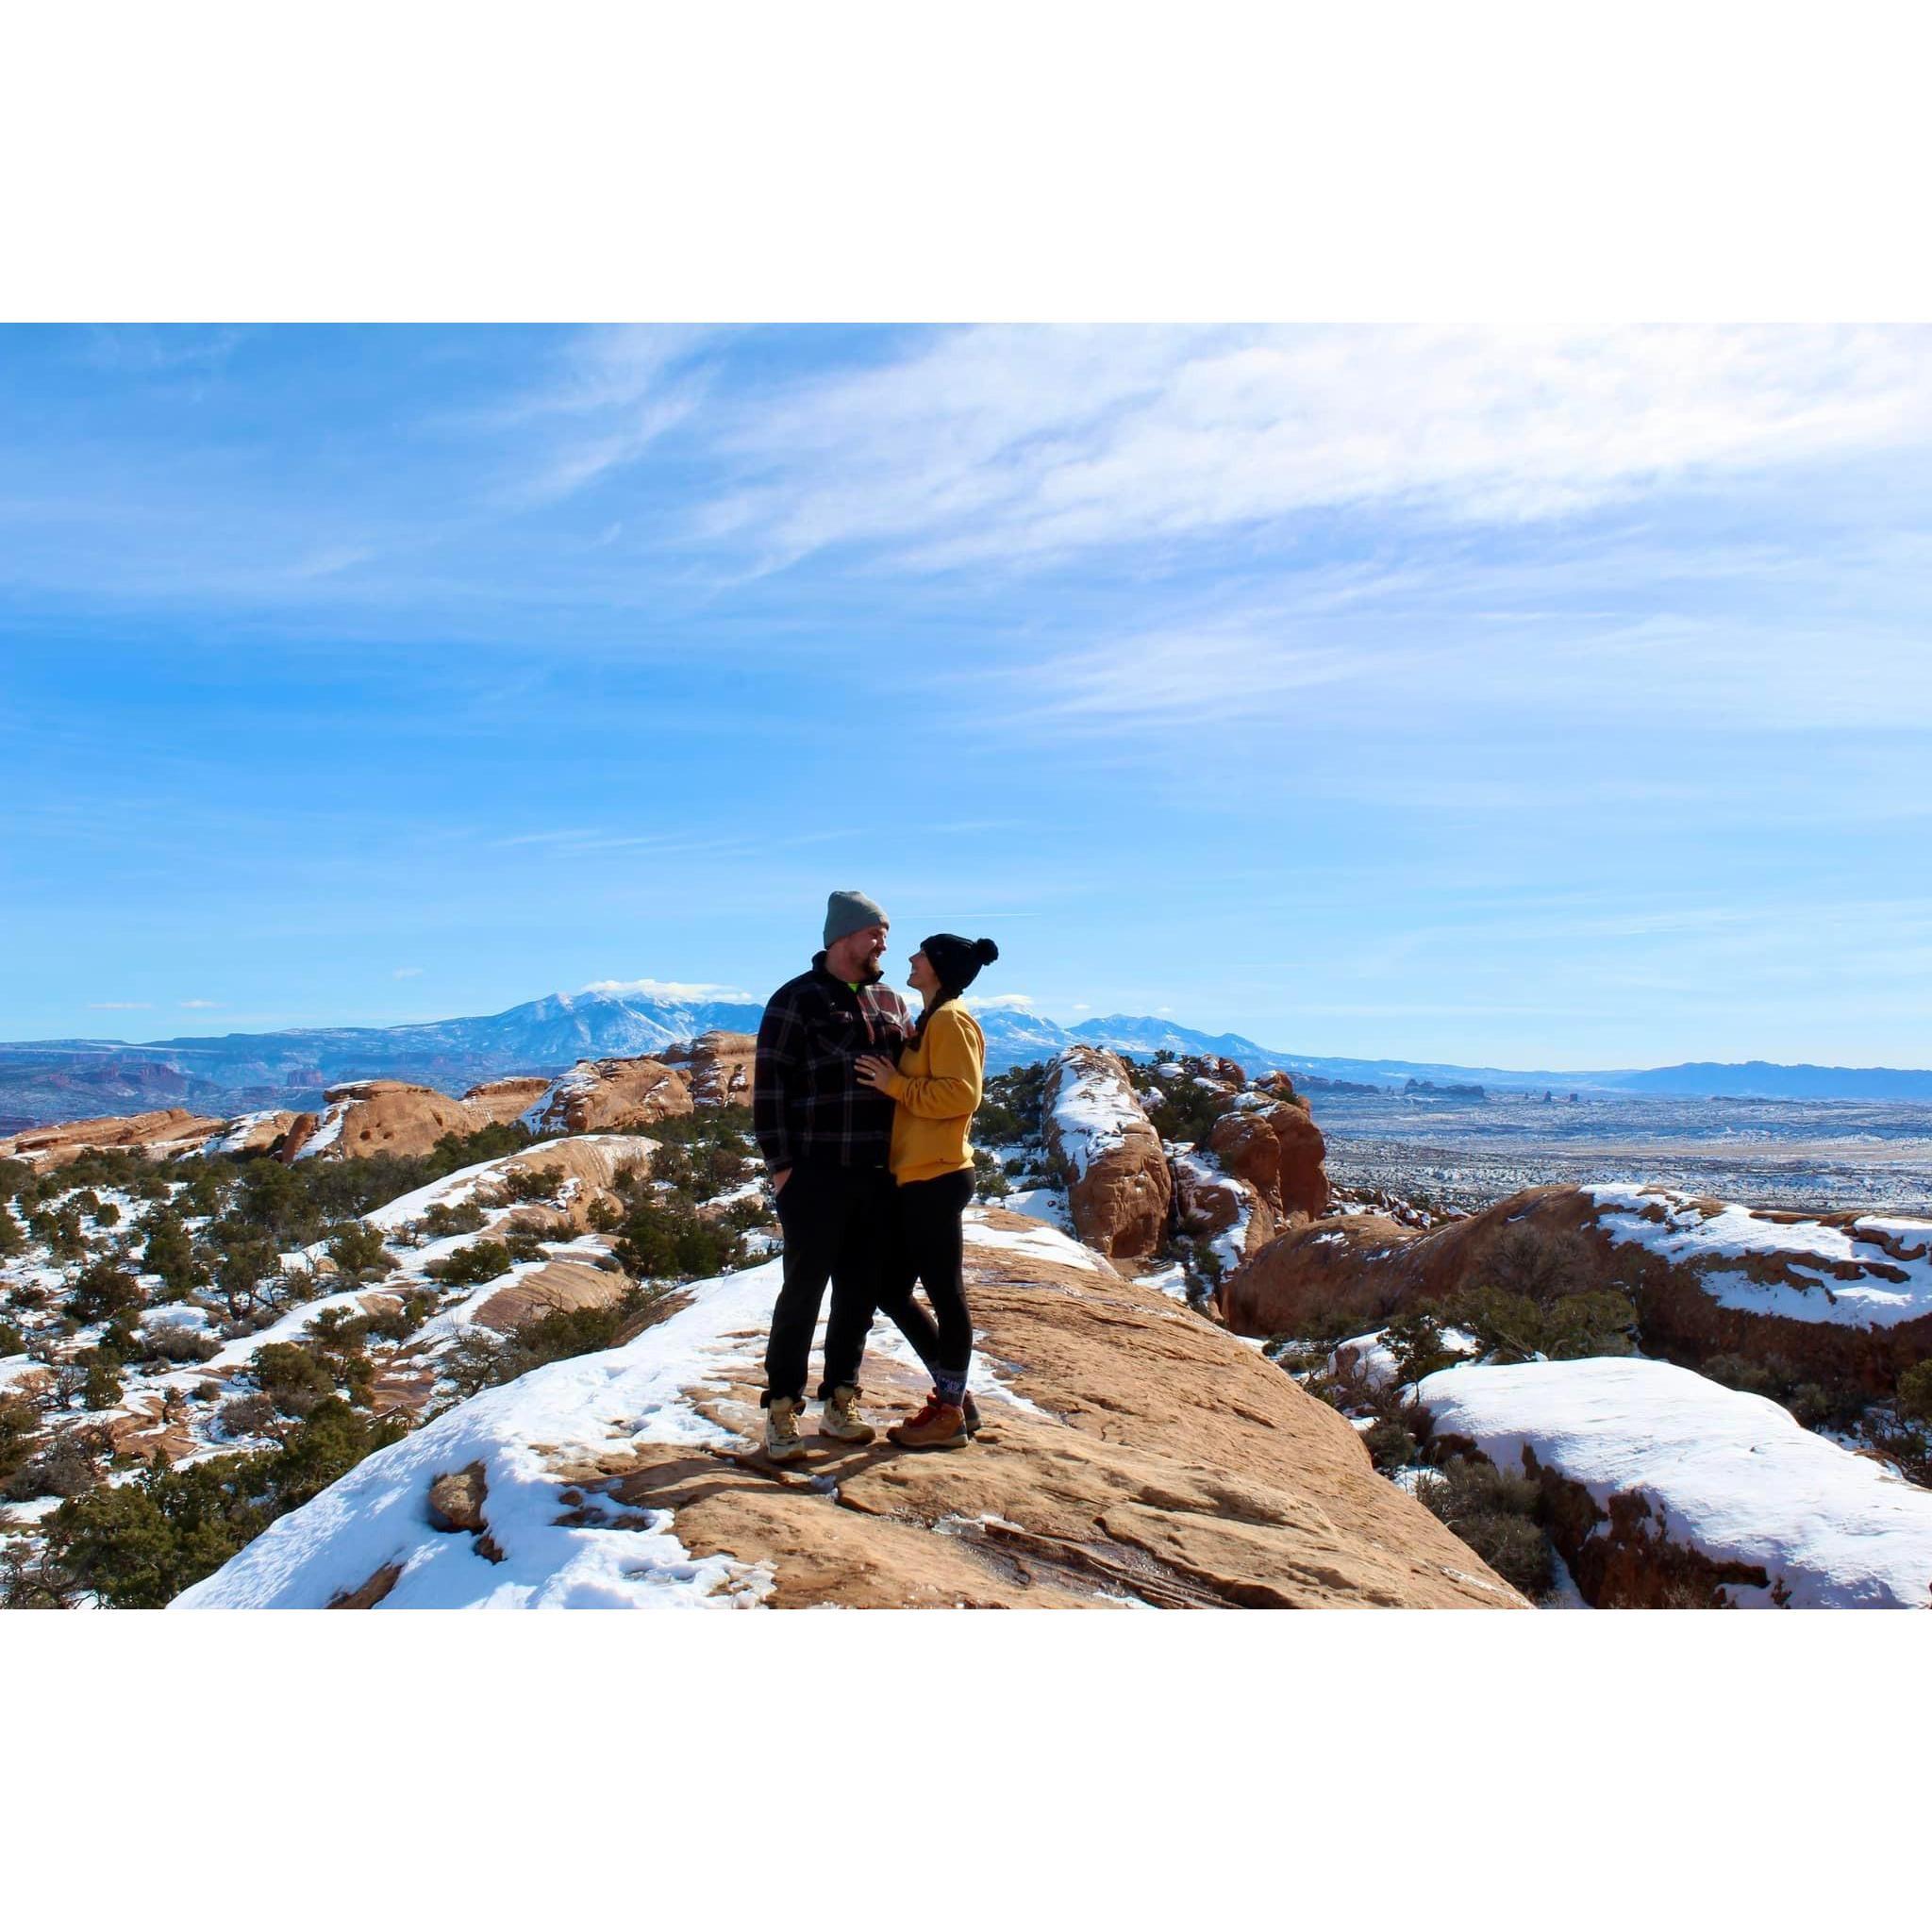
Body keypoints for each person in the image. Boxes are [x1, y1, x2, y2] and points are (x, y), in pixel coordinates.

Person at [752, 890, 913, 1461]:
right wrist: (783, 1169)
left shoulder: (892, 1000)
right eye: (876, 933)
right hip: (816, 1174)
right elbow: (769, 1089)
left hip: (879, 1174)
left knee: (858, 1296)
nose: (884, 944)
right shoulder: (794, 1000)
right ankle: (781, 1410)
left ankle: (841, 1400)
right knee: (802, 1293)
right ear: (844, 936)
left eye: (885, 934)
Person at [855, 931, 1000, 1450]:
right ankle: (957, 1401)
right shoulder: (933, 1020)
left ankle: (950, 1413)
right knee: (892, 1290)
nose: (911, 960)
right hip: (918, 1176)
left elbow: (963, 1096)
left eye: (920, 953)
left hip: (937, 1177)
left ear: (936, 966)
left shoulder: (952, 1020)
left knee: (946, 1295)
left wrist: (895, 1085)